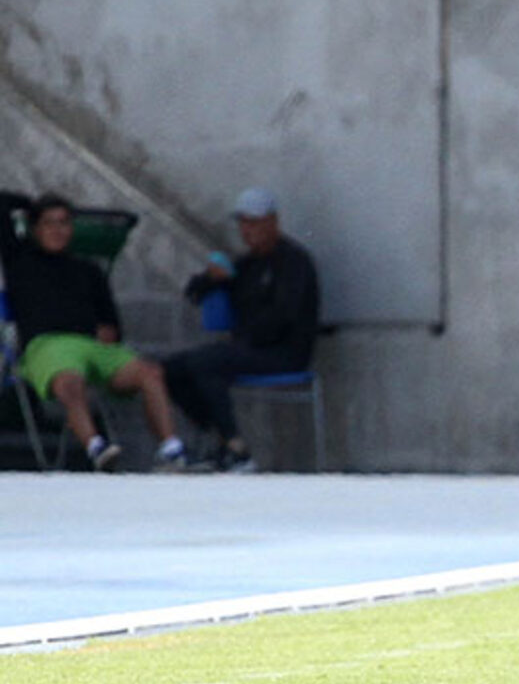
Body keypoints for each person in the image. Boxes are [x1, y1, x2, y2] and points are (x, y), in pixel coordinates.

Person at [0, 193, 187, 471]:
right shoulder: (20, 260)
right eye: (49, 223)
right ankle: (96, 448)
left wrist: (110, 332)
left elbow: (112, 322)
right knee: (70, 381)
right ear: (36, 228)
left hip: (92, 347)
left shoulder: (88, 270)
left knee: (150, 373)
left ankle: (171, 450)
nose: (57, 230)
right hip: (48, 346)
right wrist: (27, 204)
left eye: (64, 223)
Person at [162, 187, 320, 473]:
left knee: (208, 362)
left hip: (283, 352)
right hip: (248, 350)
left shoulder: (294, 262)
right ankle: (219, 437)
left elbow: (284, 317)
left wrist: (242, 342)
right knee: (169, 370)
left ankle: (237, 449)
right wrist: (212, 278)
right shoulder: (247, 264)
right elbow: (195, 292)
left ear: (273, 222)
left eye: (254, 222)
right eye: (243, 223)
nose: (248, 231)